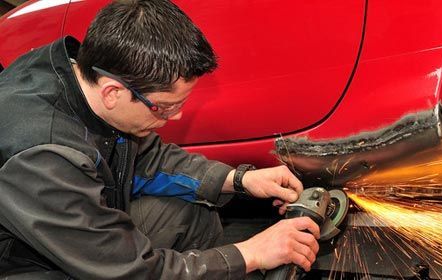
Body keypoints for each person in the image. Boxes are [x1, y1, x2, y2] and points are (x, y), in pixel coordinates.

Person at [0, 0, 320, 279]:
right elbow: (130, 272)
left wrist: (240, 179)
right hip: (26, 262)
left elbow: (149, 159)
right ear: (114, 92)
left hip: (70, 222)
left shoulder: (85, 79)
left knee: (190, 214)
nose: (176, 117)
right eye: (165, 107)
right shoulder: (43, 155)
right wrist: (250, 253)